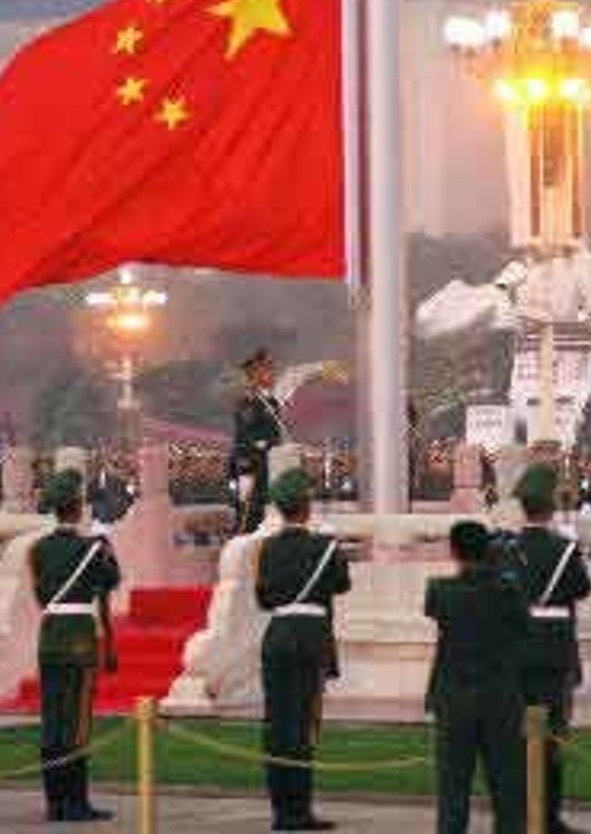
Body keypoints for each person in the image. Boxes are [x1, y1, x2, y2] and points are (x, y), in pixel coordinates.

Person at [255, 468, 351, 832]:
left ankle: (282, 811)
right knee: (303, 726)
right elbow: (342, 584)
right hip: (310, 636)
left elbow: (263, 599)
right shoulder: (325, 547)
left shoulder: (266, 548)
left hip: (278, 634)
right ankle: (300, 811)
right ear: (307, 506)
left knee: (276, 725)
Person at [425, 520, 528, 834]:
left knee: (453, 788)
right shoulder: (507, 589)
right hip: (499, 697)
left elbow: (437, 609)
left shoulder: (440, 590)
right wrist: (500, 567)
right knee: (507, 787)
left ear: (453, 551)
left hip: (454, 696)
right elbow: (524, 626)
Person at [30, 469, 120, 823]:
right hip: (80, 637)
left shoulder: (38, 549)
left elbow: (41, 595)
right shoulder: (93, 549)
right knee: (77, 722)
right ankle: (76, 801)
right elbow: (111, 579)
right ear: (79, 507)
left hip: (50, 634)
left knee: (52, 720)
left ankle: (55, 801)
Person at [511, 463, 591, 834]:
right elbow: (581, 588)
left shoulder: (504, 548)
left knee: (522, 738)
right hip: (554, 656)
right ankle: (548, 817)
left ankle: (522, 814)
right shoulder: (564, 549)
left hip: (517, 655)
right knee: (551, 738)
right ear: (550, 506)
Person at [230, 348, 286, 534]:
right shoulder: (248, 401)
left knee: (262, 507)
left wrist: (276, 445)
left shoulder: (272, 402)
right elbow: (246, 433)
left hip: (267, 461)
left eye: (271, 369)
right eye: (267, 370)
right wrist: (261, 443)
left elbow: (274, 433)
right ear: (255, 374)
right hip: (248, 462)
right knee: (247, 509)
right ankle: (238, 546)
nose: (272, 374)